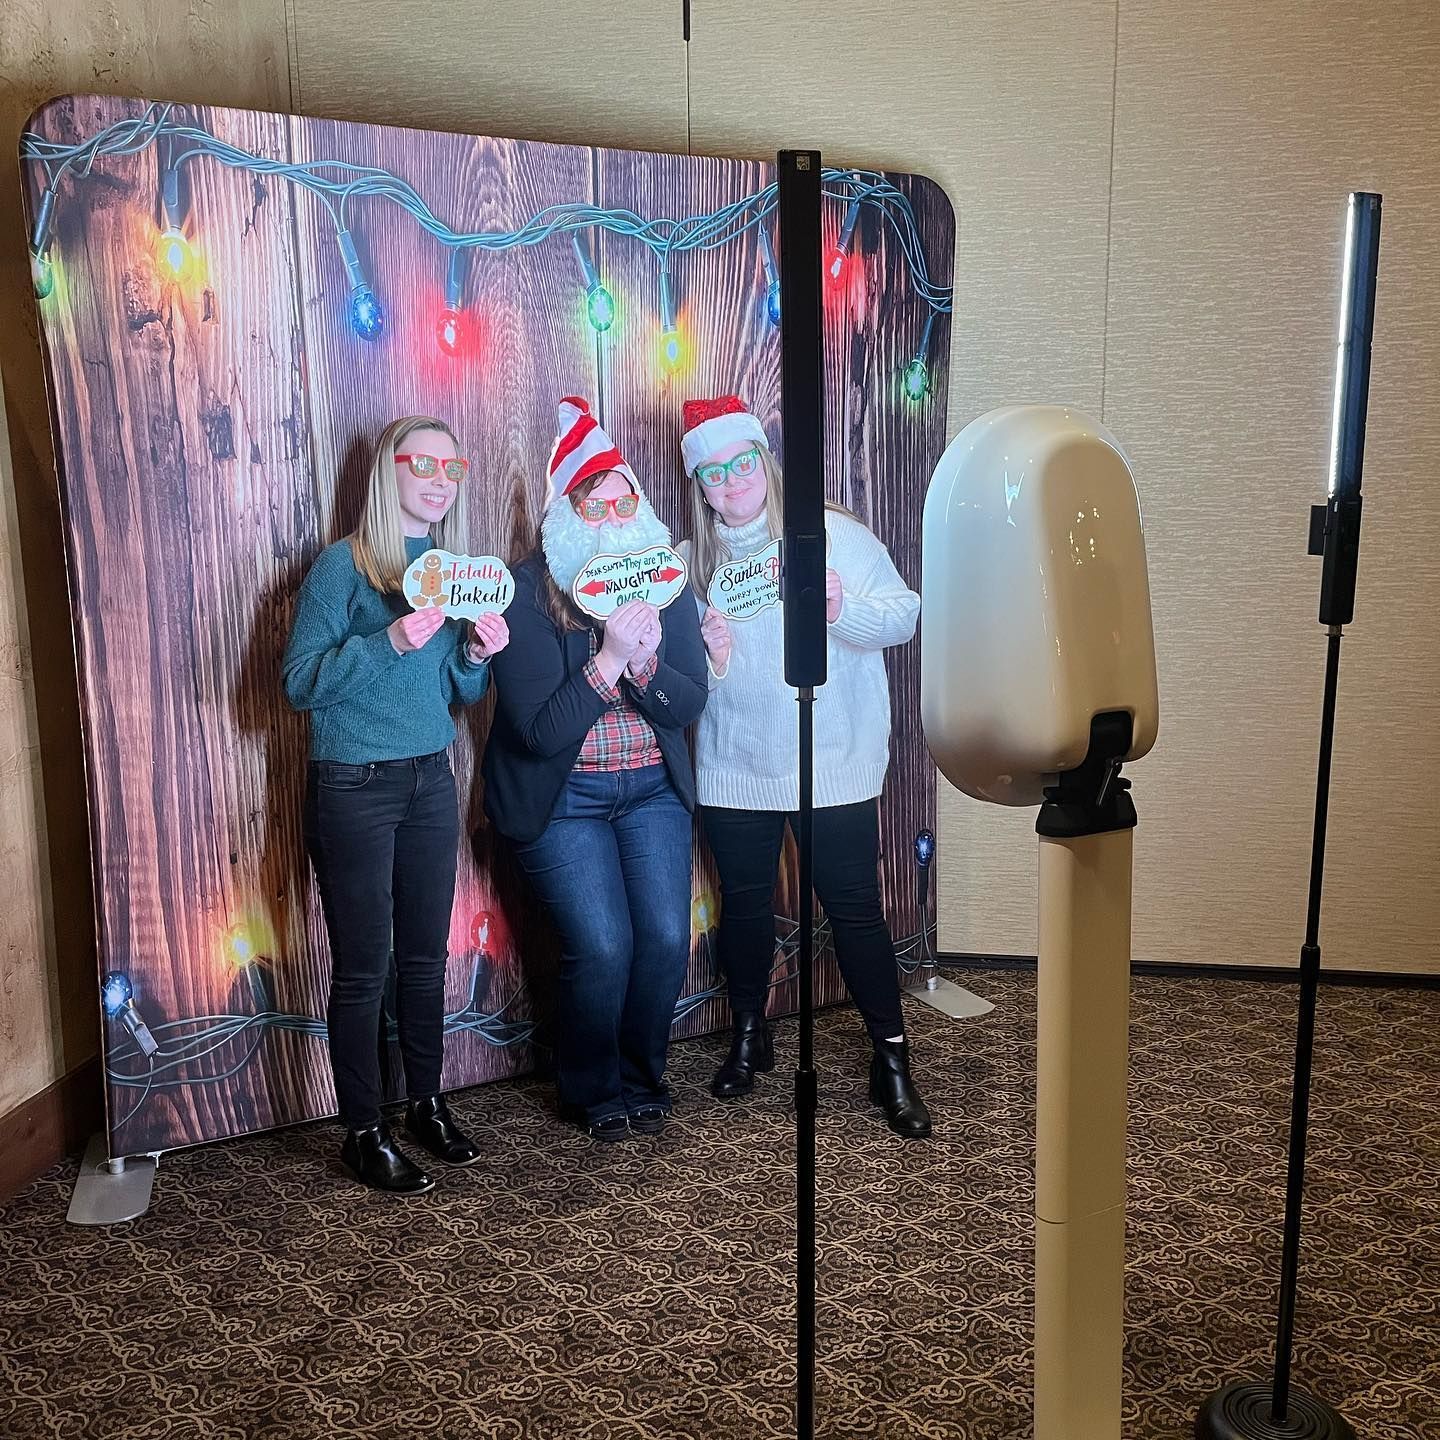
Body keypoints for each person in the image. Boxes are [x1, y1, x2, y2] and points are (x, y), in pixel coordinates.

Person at [677, 394, 931, 1139]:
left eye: (741, 463)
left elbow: (905, 615)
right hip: (735, 765)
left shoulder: (833, 535)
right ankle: (749, 1035)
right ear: (701, 483)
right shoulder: (693, 564)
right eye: (714, 472)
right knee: (745, 908)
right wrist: (713, 658)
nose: (731, 482)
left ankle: (892, 1058)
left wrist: (841, 607)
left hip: (833, 762)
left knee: (855, 911)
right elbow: (692, 684)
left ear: (764, 460)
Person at [282, 416, 509, 1193]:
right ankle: (363, 1129)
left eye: (454, 466)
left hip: (428, 779)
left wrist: (475, 656)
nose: (443, 478)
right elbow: (299, 682)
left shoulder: (451, 572)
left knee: (424, 960)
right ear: (391, 472)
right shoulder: (342, 569)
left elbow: (459, 690)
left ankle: (425, 1104)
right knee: (363, 968)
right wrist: (391, 644)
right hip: (354, 785)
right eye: (427, 464)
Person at [483, 398, 707, 1142]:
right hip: (564, 801)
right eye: (594, 501)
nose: (611, 514)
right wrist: (608, 660)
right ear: (568, 510)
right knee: (604, 945)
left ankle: (644, 1076)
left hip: (651, 793)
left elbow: (686, 703)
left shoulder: (663, 582)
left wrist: (646, 668)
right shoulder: (525, 592)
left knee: (667, 940)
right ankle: (592, 1087)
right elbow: (541, 733)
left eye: (623, 500)